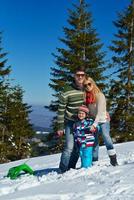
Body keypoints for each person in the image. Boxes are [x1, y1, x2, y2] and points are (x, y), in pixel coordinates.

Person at [84, 76, 118, 166]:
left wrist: (94, 125)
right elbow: (88, 111)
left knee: (106, 137)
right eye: (85, 85)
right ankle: (95, 161)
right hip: (93, 120)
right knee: (94, 141)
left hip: (102, 120)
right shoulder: (86, 97)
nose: (87, 86)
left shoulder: (100, 95)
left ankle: (113, 160)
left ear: (93, 83)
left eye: (89, 84)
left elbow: (99, 113)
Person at [57, 67, 86, 173]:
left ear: (84, 76)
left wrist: (103, 113)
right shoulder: (66, 90)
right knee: (69, 147)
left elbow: (94, 103)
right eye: (78, 75)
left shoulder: (87, 88)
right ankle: (62, 169)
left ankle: (71, 169)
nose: (80, 77)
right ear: (74, 76)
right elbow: (61, 110)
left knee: (78, 148)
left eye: (82, 75)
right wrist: (60, 127)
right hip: (70, 122)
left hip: (82, 123)